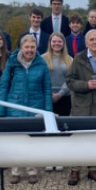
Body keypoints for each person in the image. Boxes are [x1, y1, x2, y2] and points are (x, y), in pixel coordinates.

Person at [0, 35, 53, 184]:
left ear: (36, 48)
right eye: (27, 47)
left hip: (35, 106)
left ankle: (31, 169)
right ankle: (15, 170)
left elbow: (47, 89)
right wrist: (1, 110)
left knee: (32, 140)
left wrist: (48, 112)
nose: (29, 50)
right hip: (15, 106)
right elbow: (3, 85)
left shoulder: (41, 64)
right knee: (15, 139)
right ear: (21, 48)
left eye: (32, 47)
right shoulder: (12, 63)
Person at [64, 30, 96, 185]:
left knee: (95, 140)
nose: (94, 42)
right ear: (86, 43)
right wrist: (85, 85)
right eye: (91, 39)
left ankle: (93, 169)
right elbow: (70, 81)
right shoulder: (78, 59)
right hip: (81, 106)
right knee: (78, 140)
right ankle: (75, 170)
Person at [41, 32, 71, 172]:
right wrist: (49, 94)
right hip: (46, 97)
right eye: (54, 41)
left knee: (61, 128)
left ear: (63, 43)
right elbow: (40, 79)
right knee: (47, 128)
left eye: (59, 41)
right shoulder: (42, 59)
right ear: (50, 43)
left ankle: (60, 158)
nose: (56, 44)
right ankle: (48, 158)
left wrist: (60, 94)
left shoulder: (69, 60)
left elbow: (70, 80)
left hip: (64, 97)